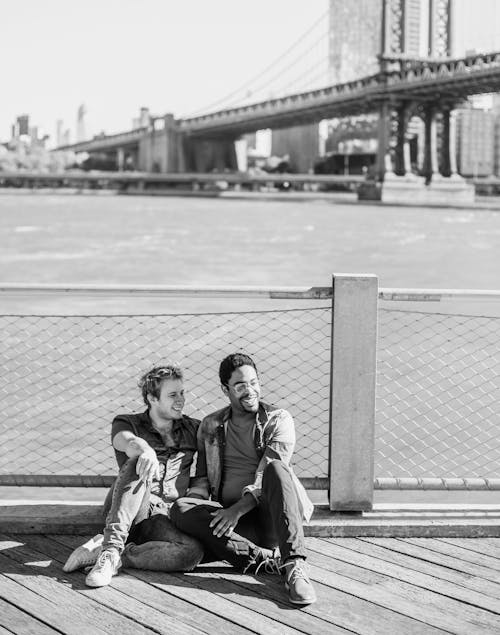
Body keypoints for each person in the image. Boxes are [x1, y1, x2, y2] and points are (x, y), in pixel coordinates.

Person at [170, 353, 317, 606]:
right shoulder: (210, 424)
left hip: (270, 518)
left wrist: (236, 511)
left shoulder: (279, 420)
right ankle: (262, 559)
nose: (250, 391)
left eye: (254, 382)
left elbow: (265, 477)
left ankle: (294, 565)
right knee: (180, 508)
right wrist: (196, 511)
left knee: (278, 470)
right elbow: (202, 480)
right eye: (240, 386)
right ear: (225, 390)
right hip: (233, 524)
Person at [63, 365, 203, 587]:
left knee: (192, 552)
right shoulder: (128, 422)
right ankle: (110, 551)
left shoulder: (194, 428)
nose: (181, 400)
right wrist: (145, 448)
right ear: (152, 398)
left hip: (163, 515)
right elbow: (126, 441)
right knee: (139, 460)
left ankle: (117, 557)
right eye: (173, 395)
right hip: (129, 507)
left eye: (182, 393)